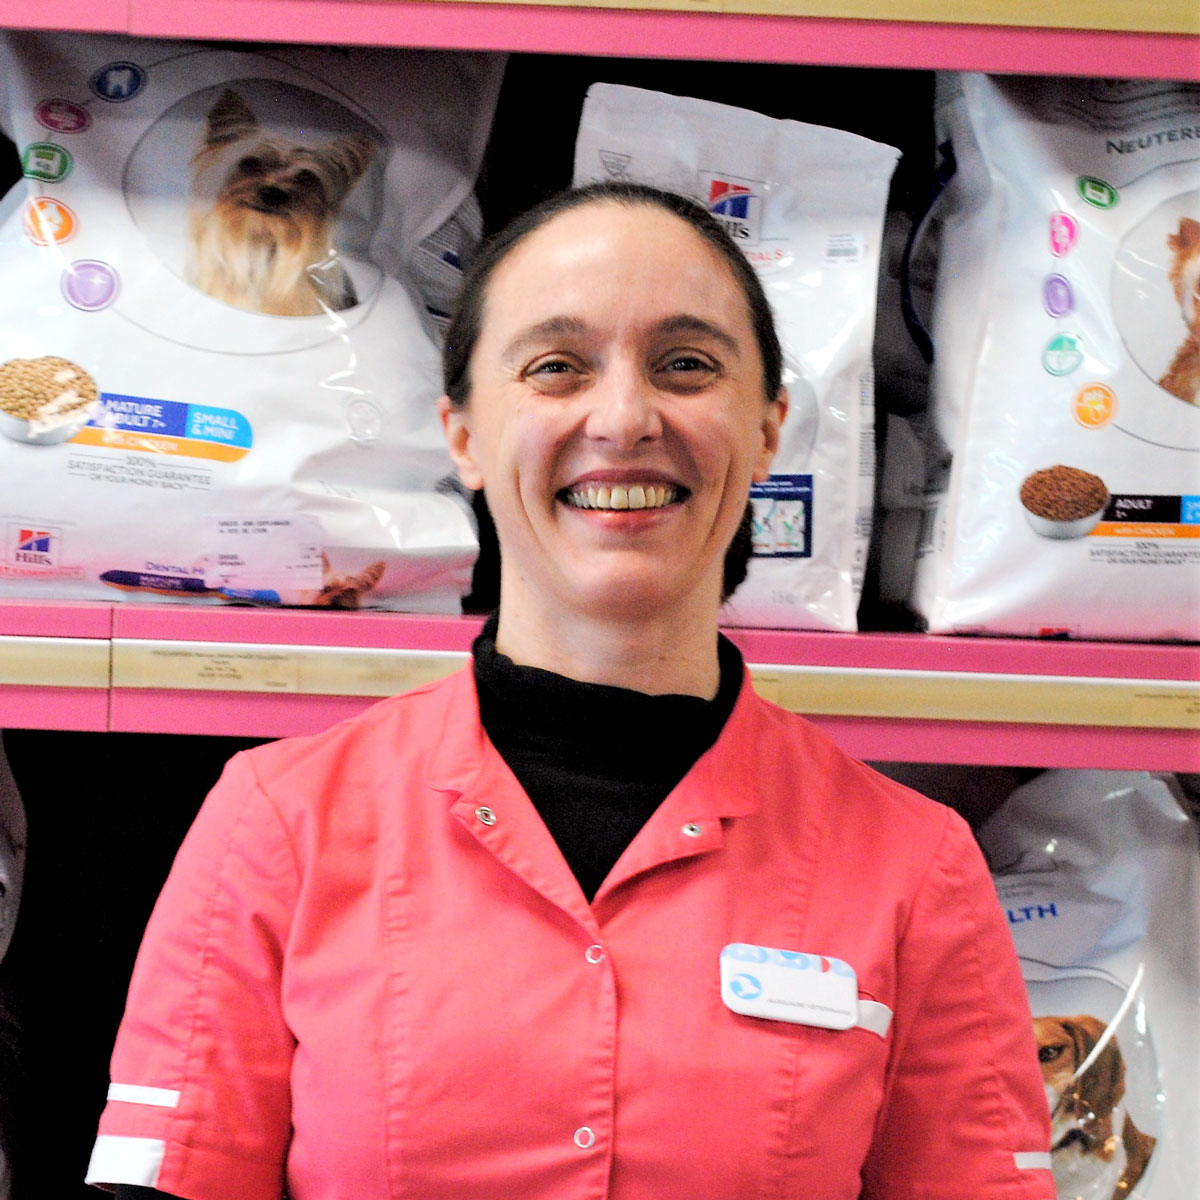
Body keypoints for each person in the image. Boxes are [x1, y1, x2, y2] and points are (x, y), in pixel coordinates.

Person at [87, 181, 1053, 1200]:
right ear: (462, 434)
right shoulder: (280, 824)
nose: (625, 418)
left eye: (686, 365)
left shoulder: (914, 869)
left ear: (769, 428)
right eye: (556, 367)